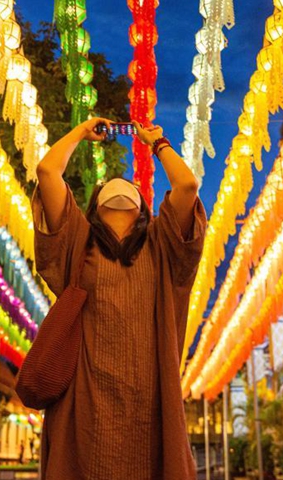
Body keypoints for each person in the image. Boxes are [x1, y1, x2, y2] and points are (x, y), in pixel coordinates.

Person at [33, 118, 206, 479]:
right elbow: (48, 171)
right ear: (92, 208)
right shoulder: (78, 242)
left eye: (129, 187)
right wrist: (81, 131)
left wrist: (157, 142)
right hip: (85, 400)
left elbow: (187, 184)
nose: (119, 184)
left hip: (150, 400)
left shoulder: (162, 243)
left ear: (144, 207)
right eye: (108, 187)